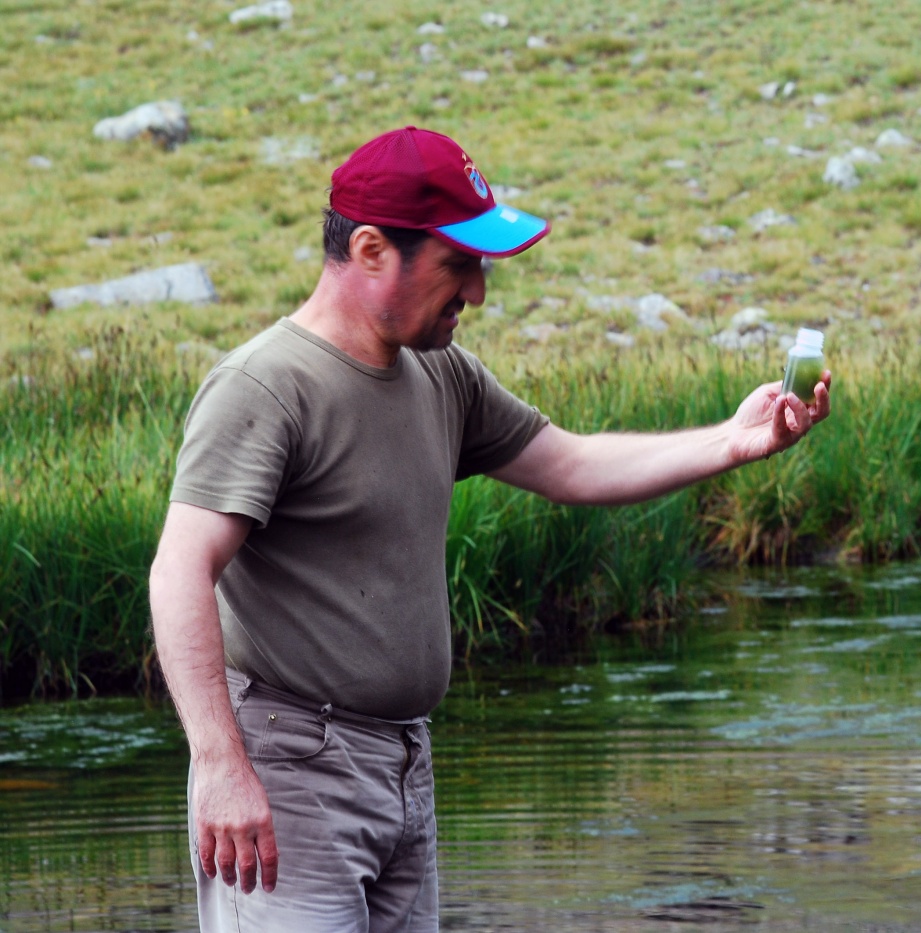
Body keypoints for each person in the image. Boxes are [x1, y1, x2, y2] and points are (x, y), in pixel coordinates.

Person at [148, 125, 831, 932]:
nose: (477, 291)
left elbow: (570, 464)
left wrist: (732, 439)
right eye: (459, 264)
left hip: (405, 762)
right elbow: (179, 570)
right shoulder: (265, 387)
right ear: (371, 250)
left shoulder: (440, 370)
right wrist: (222, 766)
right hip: (289, 767)